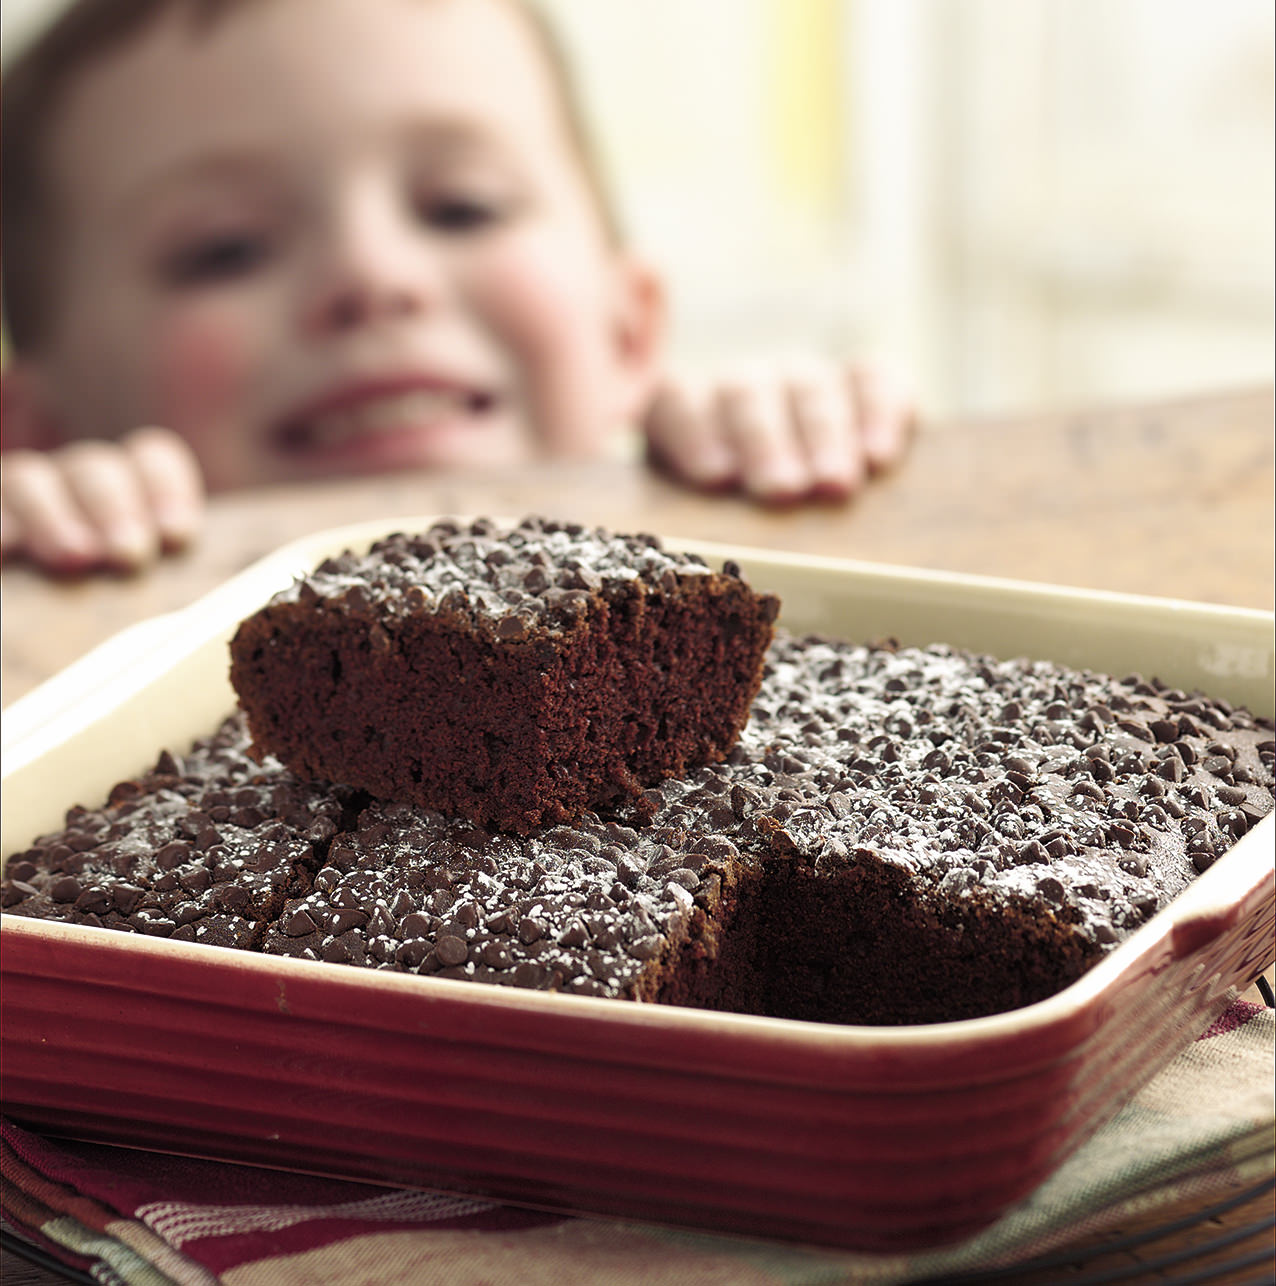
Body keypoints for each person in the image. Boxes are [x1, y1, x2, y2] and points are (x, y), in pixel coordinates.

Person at [0, 0, 915, 576]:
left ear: (629, 333)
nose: (371, 276)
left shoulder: (729, 492)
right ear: (35, 424)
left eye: (462, 208)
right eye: (227, 250)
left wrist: (790, 437)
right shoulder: (41, 573)